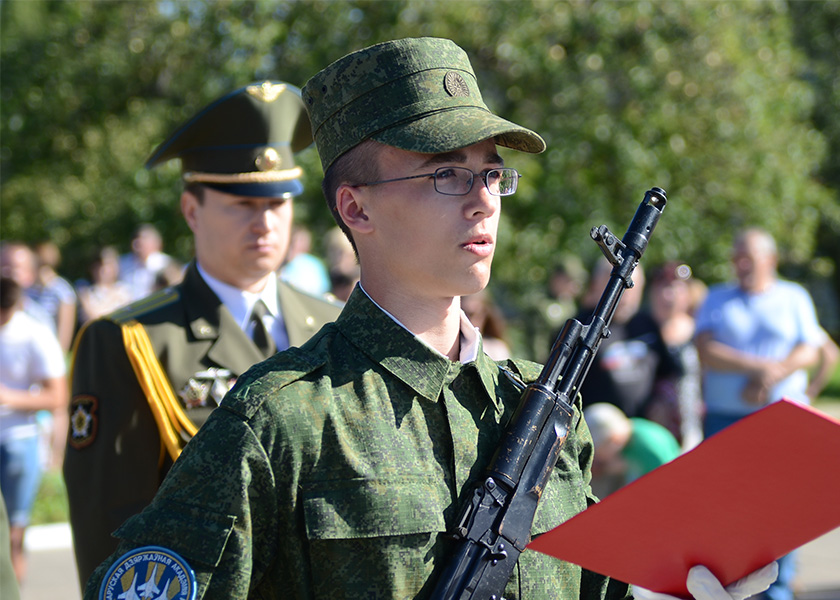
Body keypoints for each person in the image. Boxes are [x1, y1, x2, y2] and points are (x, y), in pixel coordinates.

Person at [82, 38, 776, 600]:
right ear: (356, 209)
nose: (482, 200)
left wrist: (695, 581)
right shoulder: (282, 422)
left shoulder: (541, 408)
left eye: (491, 172)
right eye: (446, 173)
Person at [62, 80, 343, 589]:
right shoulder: (130, 341)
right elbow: (111, 526)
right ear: (192, 210)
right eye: (242, 203)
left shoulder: (335, 322)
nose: (264, 223)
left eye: (277, 203)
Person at [695, 227, 824, 600]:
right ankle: (730, 589)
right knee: (729, 510)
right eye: (737, 256)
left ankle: (778, 589)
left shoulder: (793, 296)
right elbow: (706, 349)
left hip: (781, 422)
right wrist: (755, 369)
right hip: (725, 420)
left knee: (782, 510)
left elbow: (810, 350)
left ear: (771, 259)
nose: (741, 263)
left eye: (748, 256)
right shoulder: (717, 298)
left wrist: (772, 375)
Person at [0, 277, 68, 587]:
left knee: (14, 533)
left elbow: (57, 397)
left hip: (19, 440)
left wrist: (8, 397)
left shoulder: (34, 334)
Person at [567, 258, 680, 419]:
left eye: (633, 286)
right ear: (597, 285)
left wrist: (661, 400)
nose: (627, 293)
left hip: (642, 423)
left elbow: (667, 373)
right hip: (592, 425)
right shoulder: (581, 327)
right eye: (622, 285)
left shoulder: (647, 325)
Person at [646, 262, 704, 451]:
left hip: (691, 426)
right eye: (661, 288)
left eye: (673, 289)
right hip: (650, 429)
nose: (667, 296)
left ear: (687, 295)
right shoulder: (639, 330)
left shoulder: (701, 332)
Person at [584, 402, 681, 498]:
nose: (596, 457)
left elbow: (669, 486)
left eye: (597, 450)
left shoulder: (649, 449)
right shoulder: (627, 435)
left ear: (614, 439)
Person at [30, 241, 78, 353]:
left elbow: (64, 335)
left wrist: (59, 354)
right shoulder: (26, 288)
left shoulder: (62, 290)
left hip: (49, 351)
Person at [76, 246, 134, 324]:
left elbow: (129, 316)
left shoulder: (124, 289)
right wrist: (113, 298)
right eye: (99, 265)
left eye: (108, 265)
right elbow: (92, 318)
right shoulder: (84, 289)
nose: (103, 269)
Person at [118, 223, 175, 302]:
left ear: (155, 243)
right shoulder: (122, 263)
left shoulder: (165, 264)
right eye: (136, 239)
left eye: (143, 239)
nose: (137, 243)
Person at [461, 288, 512, 360]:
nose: (467, 320)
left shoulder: (496, 348)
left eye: (472, 314)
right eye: (463, 314)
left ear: (484, 314)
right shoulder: (451, 348)